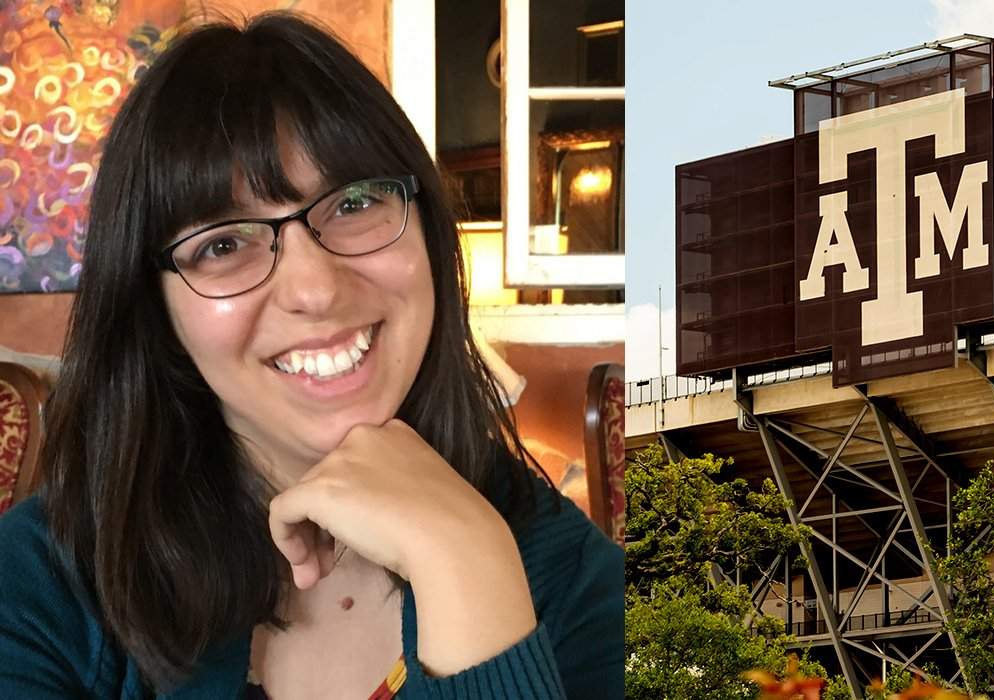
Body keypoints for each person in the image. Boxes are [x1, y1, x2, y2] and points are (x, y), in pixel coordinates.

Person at [0, 12, 623, 699]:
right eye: (220, 244)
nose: (315, 289)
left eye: (355, 202)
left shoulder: (571, 576)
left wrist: (467, 564)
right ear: (156, 309)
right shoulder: (39, 588)